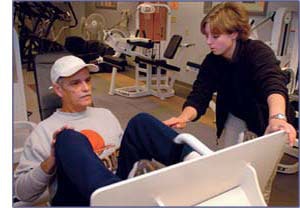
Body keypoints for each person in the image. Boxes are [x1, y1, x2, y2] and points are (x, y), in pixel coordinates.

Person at [14, 55, 195, 206]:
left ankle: (195, 161)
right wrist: (51, 161)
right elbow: (22, 193)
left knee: (142, 122)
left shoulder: (105, 114)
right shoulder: (45, 131)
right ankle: (115, 201)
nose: (85, 88)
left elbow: (125, 150)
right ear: (59, 90)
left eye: (87, 80)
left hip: (119, 190)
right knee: (67, 137)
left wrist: (151, 135)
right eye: (76, 83)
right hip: (82, 202)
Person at [163, 2, 296, 202]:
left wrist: (277, 117)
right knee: (227, 170)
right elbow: (199, 94)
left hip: (268, 118)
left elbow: (274, 85)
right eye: (206, 36)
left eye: (214, 36)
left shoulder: (257, 52)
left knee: (258, 181)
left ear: (234, 33)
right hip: (235, 114)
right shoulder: (212, 60)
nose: (208, 41)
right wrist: (183, 117)